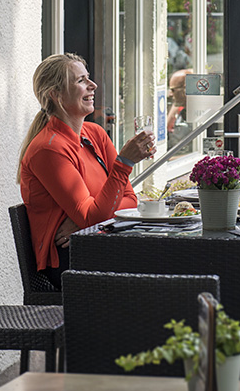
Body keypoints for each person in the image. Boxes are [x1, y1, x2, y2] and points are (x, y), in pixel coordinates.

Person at [18, 53, 153, 288]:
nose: (93, 85)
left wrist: (86, 221)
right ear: (56, 95)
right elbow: (99, 213)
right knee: (159, 269)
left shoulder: (95, 134)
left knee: (166, 262)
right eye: (81, 81)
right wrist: (124, 163)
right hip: (70, 262)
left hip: (99, 244)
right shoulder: (48, 149)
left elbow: (130, 200)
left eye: (88, 78)